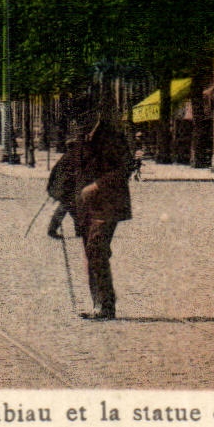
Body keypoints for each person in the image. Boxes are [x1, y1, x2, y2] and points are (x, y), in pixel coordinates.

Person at [74, 113, 133, 320]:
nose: (78, 124)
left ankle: (106, 305)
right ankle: (98, 303)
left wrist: (98, 186)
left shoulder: (112, 136)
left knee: (96, 249)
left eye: (81, 119)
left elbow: (125, 168)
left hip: (108, 203)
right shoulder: (82, 138)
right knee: (92, 252)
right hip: (86, 206)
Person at [45, 134, 83, 239]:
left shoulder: (67, 156)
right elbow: (70, 176)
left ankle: (80, 230)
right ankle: (52, 230)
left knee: (73, 208)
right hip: (65, 189)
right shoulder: (72, 158)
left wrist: (50, 187)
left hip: (62, 188)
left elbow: (53, 172)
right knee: (66, 208)